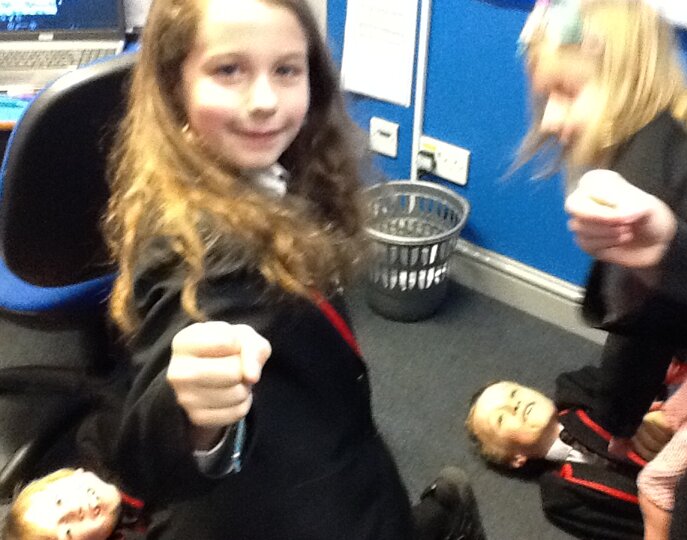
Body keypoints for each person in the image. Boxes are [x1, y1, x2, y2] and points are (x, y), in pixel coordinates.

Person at [101, 0, 484, 539]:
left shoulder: (259, 175)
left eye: (286, 70)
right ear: (173, 86)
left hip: (322, 432)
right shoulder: (199, 249)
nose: (265, 101)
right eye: (228, 70)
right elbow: (150, 455)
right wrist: (192, 417)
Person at [517, 1, 687, 537]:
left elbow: (639, 326)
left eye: (568, 93)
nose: (550, 119)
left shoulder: (642, 171)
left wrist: (619, 418)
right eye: (545, 98)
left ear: (629, 78)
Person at [466, 372, 687, 540]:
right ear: (514, 459)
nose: (514, 404)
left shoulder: (581, 388)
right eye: (501, 419)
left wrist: (662, 412)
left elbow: (660, 377)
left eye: (514, 393)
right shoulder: (560, 499)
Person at [1, 468, 146, 540]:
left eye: (59, 501)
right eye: (68, 533)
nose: (75, 509)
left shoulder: (112, 439)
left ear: (68, 475)